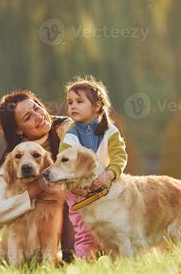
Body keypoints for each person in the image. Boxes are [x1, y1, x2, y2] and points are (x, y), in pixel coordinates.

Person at [0, 90, 75, 262]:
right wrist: (33, 192)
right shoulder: (12, 162)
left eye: (37, 108)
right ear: (18, 130)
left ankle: (78, 253)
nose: (39, 116)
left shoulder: (68, 130)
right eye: (27, 117)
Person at [59, 76, 128, 259]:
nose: (72, 106)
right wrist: (76, 187)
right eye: (70, 102)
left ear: (97, 106)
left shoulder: (110, 132)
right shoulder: (70, 136)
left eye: (79, 101)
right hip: (78, 193)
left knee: (112, 228)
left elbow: (119, 156)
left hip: (106, 188)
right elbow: (63, 167)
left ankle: (114, 259)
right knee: (85, 233)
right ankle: (85, 263)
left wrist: (109, 175)